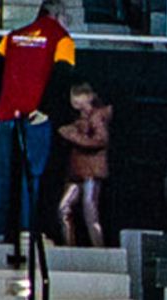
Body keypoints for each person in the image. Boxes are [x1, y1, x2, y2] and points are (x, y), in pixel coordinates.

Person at [0, 1, 74, 243]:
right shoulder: (61, 39)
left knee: (2, 176)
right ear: (56, 14)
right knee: (32, 177)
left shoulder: (13, 36)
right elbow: (62, 77)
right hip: (35, 118)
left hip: (6, 115)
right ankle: (27, 232)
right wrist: (46, 109)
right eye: (66, 15)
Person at [56, 84, 110, 247]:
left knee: (90, 213)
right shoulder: (79, 119)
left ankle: (99, 251)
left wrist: (74, 136)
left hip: (91, 172)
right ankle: (69, 248)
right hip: (76, 172)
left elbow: (101, 140)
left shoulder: (98, 117)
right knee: (63, 209)